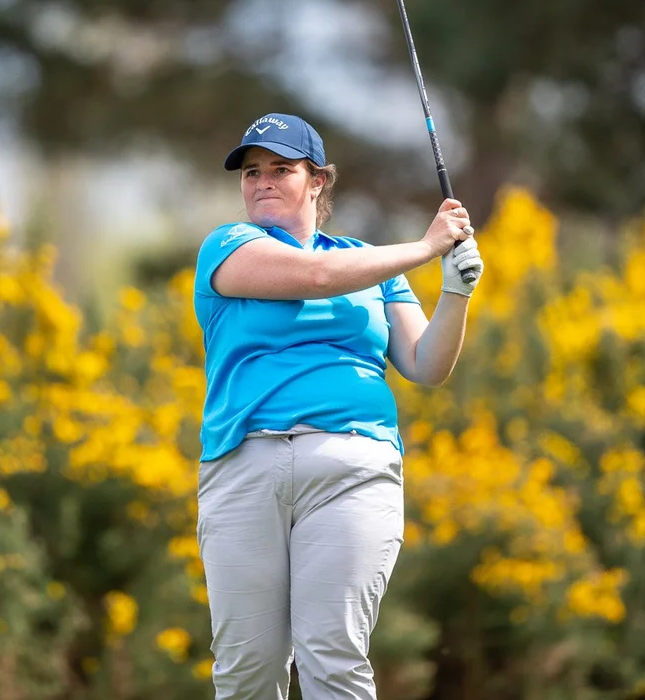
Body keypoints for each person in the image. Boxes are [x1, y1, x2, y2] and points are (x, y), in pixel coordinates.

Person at [192, 111, 484, 700]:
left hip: (354, 466)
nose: (263, 181)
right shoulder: (227, 246)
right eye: (252, 172)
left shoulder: (371, 264)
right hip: (245, 464)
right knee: (248, 669)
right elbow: (318, 277)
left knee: (333, 656)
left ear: (318, 180)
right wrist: (426, 246)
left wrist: (455, 291)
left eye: (281, 169)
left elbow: (426, 364)